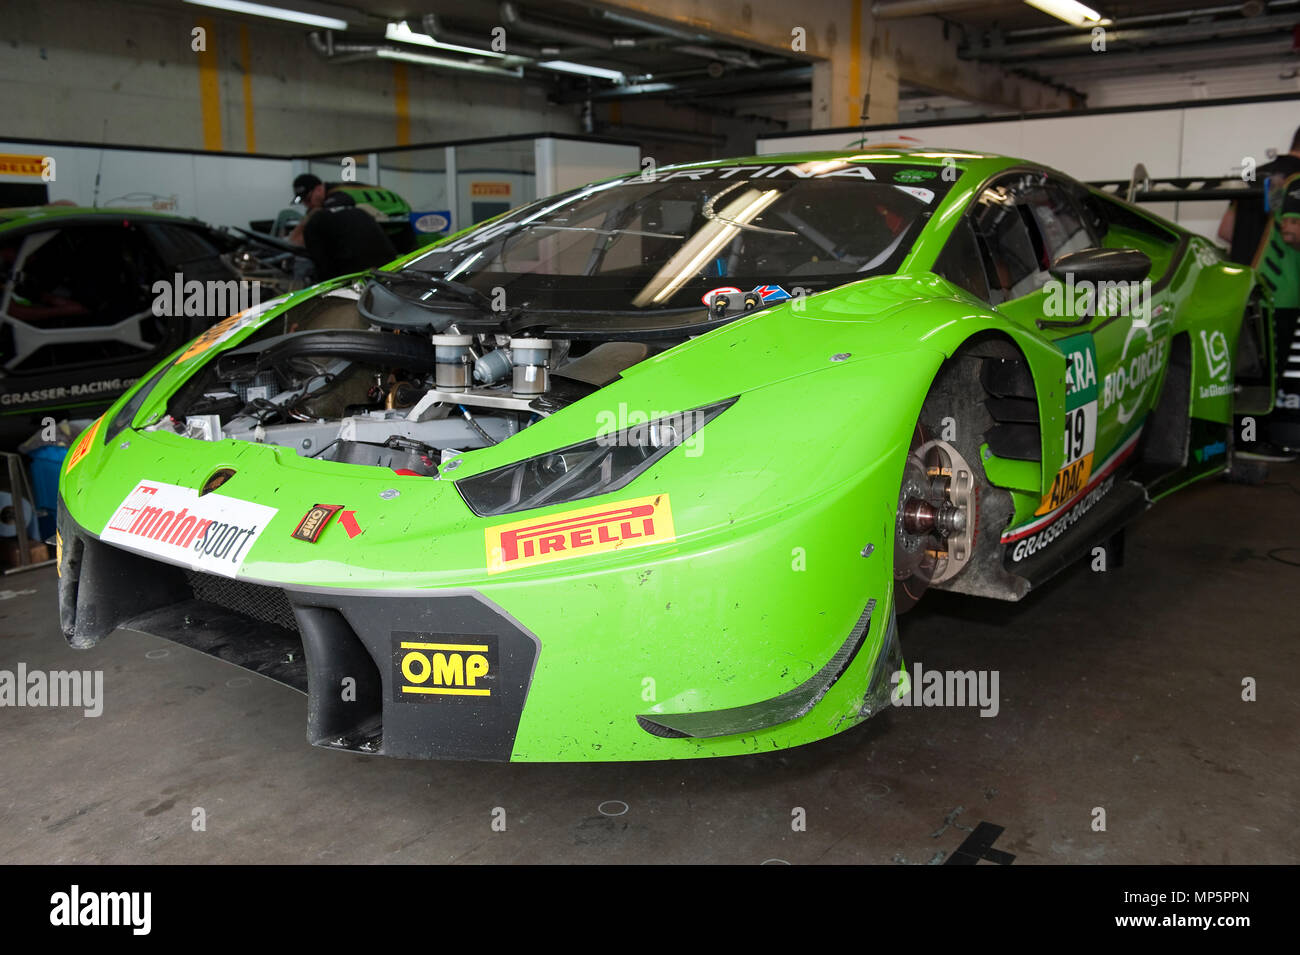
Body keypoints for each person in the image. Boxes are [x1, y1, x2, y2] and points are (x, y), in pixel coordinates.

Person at [1218, 126, 1300, 461]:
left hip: (1241, 288)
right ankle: (1251, 444)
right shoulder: (1297, 181)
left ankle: (1242, 441)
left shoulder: (1255, 177)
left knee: (1246, 372)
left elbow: (1225, 231)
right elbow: (1292, 233)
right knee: (1263, 376)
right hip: (1277, 292)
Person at [300, 190, 397, 281]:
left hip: (354, 277)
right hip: (390, 271)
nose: (306, 204)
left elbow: (320, 263)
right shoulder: (362, 213)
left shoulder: (317, 220)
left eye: (307, 200)